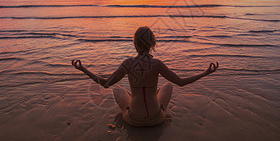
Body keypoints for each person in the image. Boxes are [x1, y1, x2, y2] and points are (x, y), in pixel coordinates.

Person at [72, 26, 218, 127]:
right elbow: (181, 82)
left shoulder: (128, 63)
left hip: (134, 120)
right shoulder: (157, 64)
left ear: (135, 43)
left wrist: (83, 69)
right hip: (156, 118)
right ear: (152, 43)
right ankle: (159, 107)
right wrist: (206, 72)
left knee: (117, 89)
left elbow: (105, 83)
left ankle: (131, 103)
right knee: (168, 85)